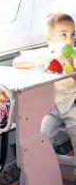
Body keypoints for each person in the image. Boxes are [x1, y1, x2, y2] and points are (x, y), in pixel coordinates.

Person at [12, 12, 76, 166]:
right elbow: (16, 62)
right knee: (41, 136)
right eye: (63, 35)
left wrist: (72, 67)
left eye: (73, 35)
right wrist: (41, 64)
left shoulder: (74, 55)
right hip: (48, 108)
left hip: (70, 104)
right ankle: (41, 168)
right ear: (49, 38)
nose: (69, 40)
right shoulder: (43, 54)